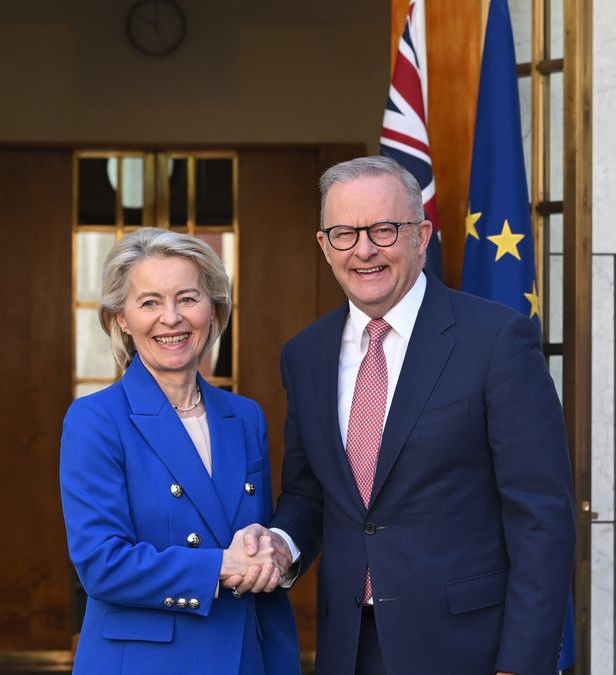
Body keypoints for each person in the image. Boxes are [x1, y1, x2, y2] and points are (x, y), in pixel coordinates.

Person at [236, 156, 575, 674]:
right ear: (324, 245)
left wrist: (521, 665)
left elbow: (541, 518)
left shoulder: (496, 341)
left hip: (470, 652)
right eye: (345, 234)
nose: (364, 250)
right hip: (349, 650)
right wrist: (281, 545)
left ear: (421, 235)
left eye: (384, 229)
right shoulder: (305, 355)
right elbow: (309, 495)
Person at [59, 227, 300, 675]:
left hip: (245, 657)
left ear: (214, 309)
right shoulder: (96, 419)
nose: (171, 318)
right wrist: (220, 566)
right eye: (150, 302)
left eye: (187, 298)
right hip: (146, 663)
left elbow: (254, 545)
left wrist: (268, 549)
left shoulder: (245, 417)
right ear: (121, 319)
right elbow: (101, 564)